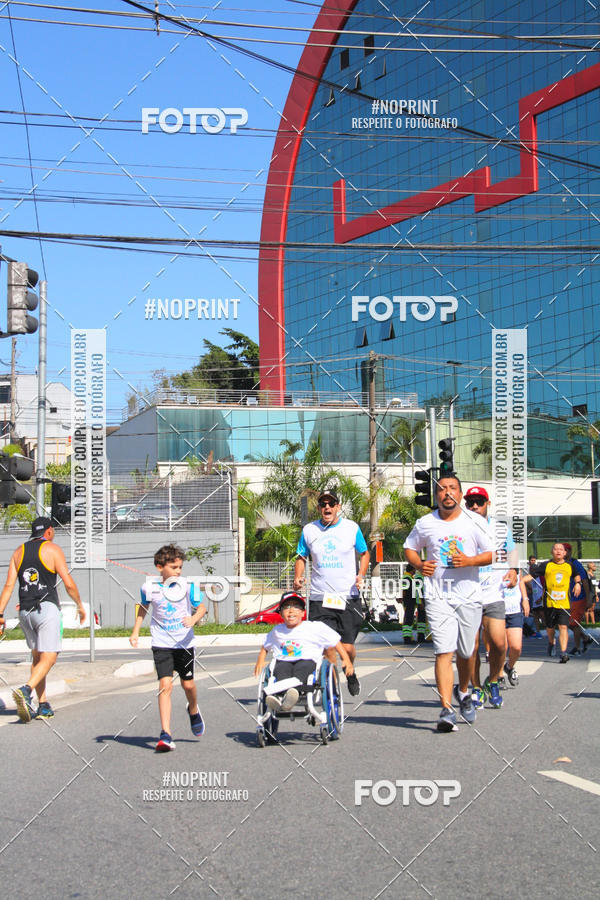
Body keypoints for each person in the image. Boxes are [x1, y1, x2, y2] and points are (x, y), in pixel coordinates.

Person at [404, 475, 493, 732]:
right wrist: (419, 564)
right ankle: (446, 709)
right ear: (436, 496)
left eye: (452, 488)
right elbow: (409, 548)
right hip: (437, 596)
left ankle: (463, 691)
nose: (447, 493)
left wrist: (470, 561)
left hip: (469, 596)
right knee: (443, 651)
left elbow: (491, 554)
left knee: (467, 651)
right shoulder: (425, 523)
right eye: (442, 489)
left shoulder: (475, 522)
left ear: (460, 494)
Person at [0, 516, 84, 722]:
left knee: (37, 658)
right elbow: (68, 582)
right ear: (48, 531)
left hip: (25, 612)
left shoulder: (18, 552)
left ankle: (43, 704)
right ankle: (26, 690)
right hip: (46, 609)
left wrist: (0, 613)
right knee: (50, 657)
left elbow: (9, 586)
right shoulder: (52, 549)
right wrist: (79, 605)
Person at [129, 544, 207, 751]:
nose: (178, 571)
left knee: (188, 685)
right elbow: (143, 607)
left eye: (180, 567)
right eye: (173, 567)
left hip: (184, 643)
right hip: (161, 643)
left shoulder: (188, 586)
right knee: (165, 685)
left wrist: (193, 619)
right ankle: (165, 733)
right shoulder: (149, 588)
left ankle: (193, 710)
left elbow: (201, 608)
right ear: (159, 567)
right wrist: (135, 631)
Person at [293, 487, 369, 697]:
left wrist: (361, 574)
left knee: (348, 647)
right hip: (320, 598)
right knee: (327, 646)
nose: (327, 507)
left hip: (347, 597)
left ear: (338, 507)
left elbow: (364, 553)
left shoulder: (351, 528)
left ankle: (350, 672)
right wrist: (298, 576)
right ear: (319, 508)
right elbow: (301, 556)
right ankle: (331, 690)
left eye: (331, 504)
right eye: (323, 504)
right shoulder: (309, 530)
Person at [463, 486, 518, 710]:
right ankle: (476, 688)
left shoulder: (500, 528)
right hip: (468, 594)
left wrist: (514, 570)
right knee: (472, 646)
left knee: (499, 643)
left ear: (488, 504)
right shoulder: (461, 527)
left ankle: (493, 681)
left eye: (479, 501)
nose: (475, 506)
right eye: (471, 502)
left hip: (494, 593)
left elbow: (512, 551)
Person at [253, 591, 354, 711]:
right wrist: (260, 660)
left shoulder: (314, 627)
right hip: (283, 661)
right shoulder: (277, 630)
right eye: (286, 607)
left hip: (307, 661)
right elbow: (265, 646)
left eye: (296, 607)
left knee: (302, 668)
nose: (291, 611)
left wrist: (346, 660)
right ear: (280, 613)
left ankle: (290, 694)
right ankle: (284, 697)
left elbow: (335, 641)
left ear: (302, 612)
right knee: (281, 670)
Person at [522, 543, 581, 663]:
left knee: (563, 626)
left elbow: (577, 576)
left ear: (565, 553)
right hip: (549, 603)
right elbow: (529, 577)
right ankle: (551, 642)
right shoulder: (546, 565)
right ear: (551, 552)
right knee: (550, 627)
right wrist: (521, 581)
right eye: (556, 549)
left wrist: (578, 584)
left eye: (561, 549)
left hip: (564, 603)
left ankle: (563, 653)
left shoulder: (570, 565)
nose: (558, 551)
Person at [562, 543, 592, 655]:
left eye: (565, 550)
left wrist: (588, 599)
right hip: (570, 599)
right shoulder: (563, 564)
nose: (562, 552)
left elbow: (584, 581)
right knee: (569, 623)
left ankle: (577, 648)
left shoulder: (575, 564)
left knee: (573, 624)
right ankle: (586, 639)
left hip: (579, 598)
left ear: (569, 552)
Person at [502, 574, 530, 685]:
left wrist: (525, 599)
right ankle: (499, 677)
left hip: (515, 612)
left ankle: (509, 667)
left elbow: (520, 580)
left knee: (516, 648)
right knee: (502, 647)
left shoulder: (514, 567)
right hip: (498, 610)